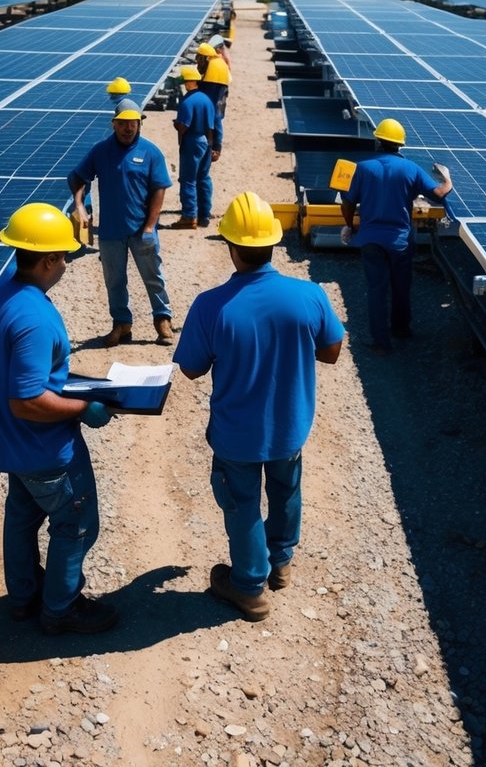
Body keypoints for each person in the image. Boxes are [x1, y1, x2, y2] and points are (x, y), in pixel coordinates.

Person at [174, 191, 345, 621]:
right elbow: (332, 350)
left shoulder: (210, 305)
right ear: (274, 242)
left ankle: (250, 586)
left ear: (232, 247)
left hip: (236, 436)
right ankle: (281, 562)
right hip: (290, 429)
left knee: (243, 503)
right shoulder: (309, 295)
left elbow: (191, 370)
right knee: (286, 491)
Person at [0, 202, 118, 634]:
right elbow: (27, 400)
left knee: (22, 518)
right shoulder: (35, 319)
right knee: (75, 523)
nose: (67, 265)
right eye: (63, 257)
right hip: (47, 450)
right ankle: (61, 609)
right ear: (46, 261)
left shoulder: (1, 292)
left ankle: (23, 598)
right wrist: (84, 407)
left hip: (15, 446)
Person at [339, 118, 453, 354]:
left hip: (371, 239)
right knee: (401, 286)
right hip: (400, 240)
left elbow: (348, 202)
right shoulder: (410, 168)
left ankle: (381, 342)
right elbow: (440, 195)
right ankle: (401, 329)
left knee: (376, 289)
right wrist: (447, 177)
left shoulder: (363, 168)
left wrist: (350, 226)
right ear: (399, 146)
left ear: (378, 142)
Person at [68, 98, 175, 347]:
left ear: (139, 124)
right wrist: (80, 205)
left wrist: (150, 227)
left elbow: (159, 189)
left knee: (152, 276)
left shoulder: (151, 152)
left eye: (133, 123)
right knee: (114, 280)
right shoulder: (100, 151)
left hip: (142, 230)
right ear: (114, 125)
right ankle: (121, 324)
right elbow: (77, 177)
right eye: (123, 123)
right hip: (110, 232)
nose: (129, 128)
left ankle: (162, 319)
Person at [169, 65, 215, 229]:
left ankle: (189, 216)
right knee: (203, 178)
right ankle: (204, 214)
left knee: (188, 180)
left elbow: (184, 126)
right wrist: (212, 147)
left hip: (192, 142)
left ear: (189, 82)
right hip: (205, 142)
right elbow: (211, 126)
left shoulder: (187, 101)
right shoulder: (206, 99)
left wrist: (176, 124)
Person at [196, 41, 231, 161]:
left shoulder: (212, 64)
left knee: (212, 116)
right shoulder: (217, 61)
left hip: (214, 87)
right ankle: (216, 147)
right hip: (221, 88)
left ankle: (214, 148)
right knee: (216, 117)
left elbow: (203, 81)